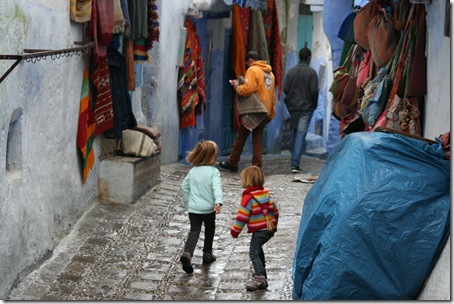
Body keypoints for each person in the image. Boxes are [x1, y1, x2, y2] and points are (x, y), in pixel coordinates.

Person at [218, 51, 276, 173]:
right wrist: (271, 112)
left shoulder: (253, 70)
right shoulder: (270, 74)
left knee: (241, 136)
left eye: (247, 64)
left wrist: (237, 87)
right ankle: (257, 167)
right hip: (265, 110)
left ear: (250, 61)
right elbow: (272, 95)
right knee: (257, 139)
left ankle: (233, 162)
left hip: (254, 110)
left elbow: (248, 89)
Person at [230, 165, 279, 291]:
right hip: (269, 229)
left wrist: (235, 231)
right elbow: (275, 210)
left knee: (253, 253)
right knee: (258, 251)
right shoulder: (265, 194)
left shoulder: (248, 198)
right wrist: (273, 225)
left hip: (259, 231)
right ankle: (263, 274)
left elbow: (242, 217)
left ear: (246, 180)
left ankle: (260, 279)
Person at [180, 140, 223, 274]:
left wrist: (188, 203)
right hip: (208, 209)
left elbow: (184, 187)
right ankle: (207, 254)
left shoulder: (193, 171)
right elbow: (217, 187)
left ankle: (188, 253)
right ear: (212, 156)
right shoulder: (213, 172)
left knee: (194, 231)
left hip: (194, 209)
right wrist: (218, 202)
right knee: (210, 229)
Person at [283, 47, 319, 173]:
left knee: (294, 132)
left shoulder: (291, 71)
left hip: (293, 107)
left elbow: (286, 89)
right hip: (306, 107)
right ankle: (295, 164)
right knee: (300, 134)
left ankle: (294, 160)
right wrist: (314, 104)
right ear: (309, 58)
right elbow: (314, 91)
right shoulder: (312, 73)